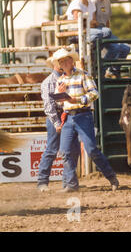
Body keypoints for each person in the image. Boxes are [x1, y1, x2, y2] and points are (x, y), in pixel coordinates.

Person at [53, 48, 119, 192]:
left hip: (83, 115)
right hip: (69, 116)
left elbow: (94, 93)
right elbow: (59, 103)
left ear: (71, 61)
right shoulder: (60, 80)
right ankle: (71, 184)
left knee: (91, 149)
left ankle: (111, 177)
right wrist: (59, 94)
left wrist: (77, 99)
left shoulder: (83, 75)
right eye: (61, 61)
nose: (63, 63)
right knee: (65, 151)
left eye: (65, 60)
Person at [37, 55, 80, 192]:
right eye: (60, 62)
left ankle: (68, 182)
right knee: (52, 150)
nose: (62, 64)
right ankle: (42, 182)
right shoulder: (49, 82)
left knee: (71, 150)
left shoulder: (68, 78)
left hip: (69, 116)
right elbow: (49, 107)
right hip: (57, 118)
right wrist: (56, 123)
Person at [91, 0, 130, 78]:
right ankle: (102, 70)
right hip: (97, 30)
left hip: (105, 30)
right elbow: (92, 20)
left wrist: (108, 31)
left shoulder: (107, 2)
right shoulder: (94, 1)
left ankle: (114, 70)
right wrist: (104, 31)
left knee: (125, 48)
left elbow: (108, 20)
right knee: (115, 47)